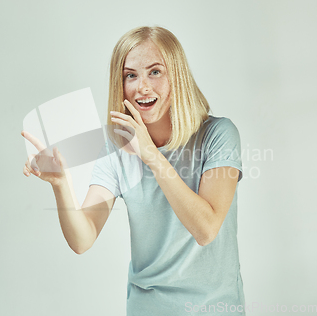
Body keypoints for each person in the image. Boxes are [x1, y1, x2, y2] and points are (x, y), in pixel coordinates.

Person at [22, 26, 245, 315]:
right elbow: (82, 238)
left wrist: (151, 154)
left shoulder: (218, 135)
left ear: (176, 75)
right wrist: (60, 184)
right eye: (131, 75)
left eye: (155, 72)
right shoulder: (116, 151)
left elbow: (206, 229)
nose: (142, 87)